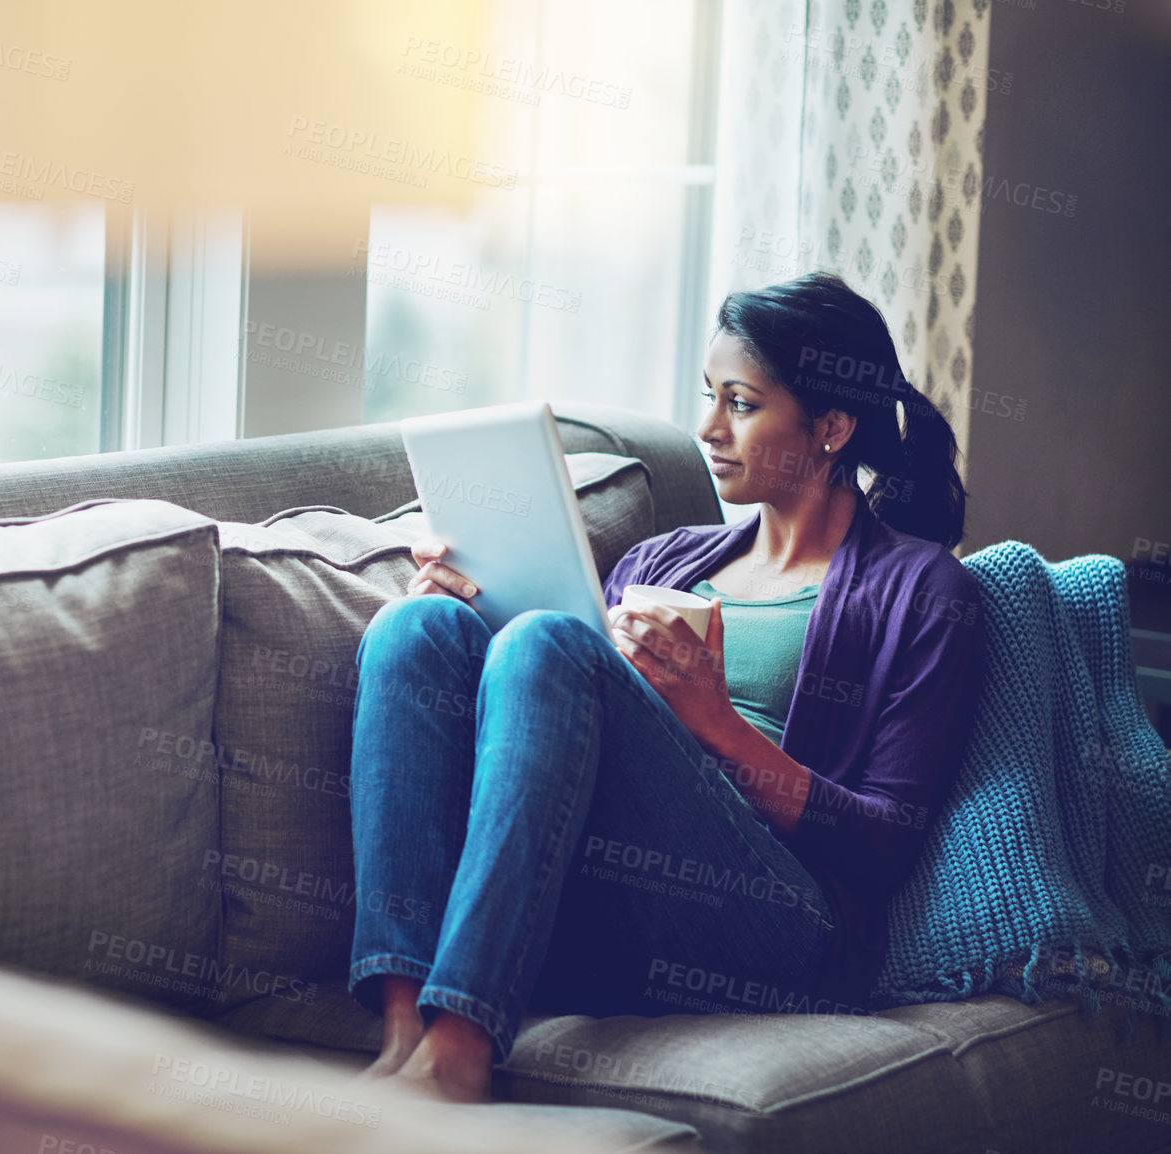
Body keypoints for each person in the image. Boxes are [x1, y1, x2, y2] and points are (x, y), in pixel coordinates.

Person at [346, 271, 987, 1102]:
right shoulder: (662, 561)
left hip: (785, 920)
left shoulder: (924, 592)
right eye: (708, 398)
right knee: (415, 628)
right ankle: (406, 1027)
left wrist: (716, 722)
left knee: (550, 643)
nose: (707, 429)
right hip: (609, 880)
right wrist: (475, 608)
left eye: (741, 403)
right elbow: (556, 730)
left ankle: (464, 1043)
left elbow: (884, 845)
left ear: (832, 427)